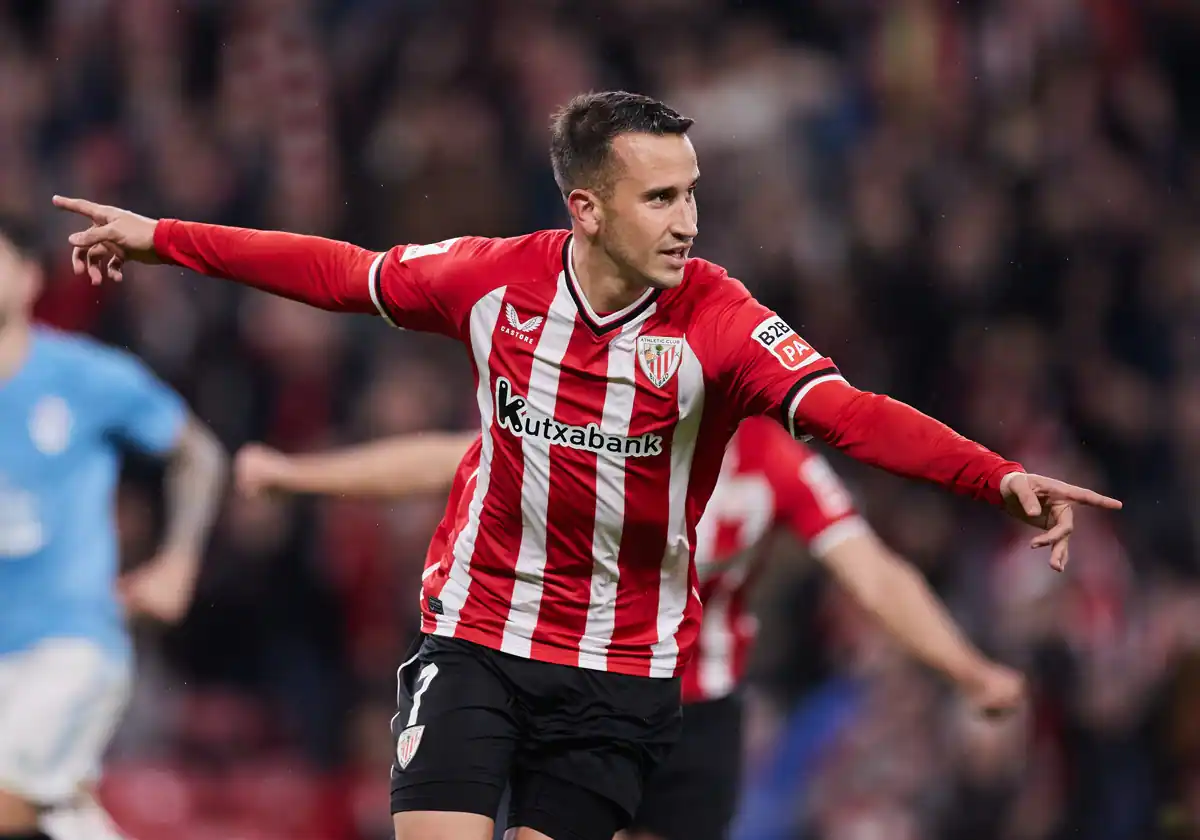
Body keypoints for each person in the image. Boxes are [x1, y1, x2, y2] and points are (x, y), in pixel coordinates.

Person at [53, 90, 1120, 840]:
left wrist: (996, 477)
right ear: (588, 208)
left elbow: (846, 414)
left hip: (619, 673)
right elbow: (338, 271)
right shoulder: (492, 282)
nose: (688, 221)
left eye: (692, 194)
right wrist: (163, 238)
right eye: (660, 199)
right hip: (475, 635)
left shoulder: (722, 321)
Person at [233, 417, 1025, 840]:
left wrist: (968, 669)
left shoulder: (777, 465)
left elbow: (876, 574)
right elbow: (458, 458)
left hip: (696, 716)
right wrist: (298, 476)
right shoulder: (603, 428)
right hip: (584, 693)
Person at [0, 218, 227, 840]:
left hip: (69, 640)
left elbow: (199, 453)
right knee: (54, 813)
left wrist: (177, 563)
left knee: (8, 799)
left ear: (28, 279)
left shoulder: (84, 376)